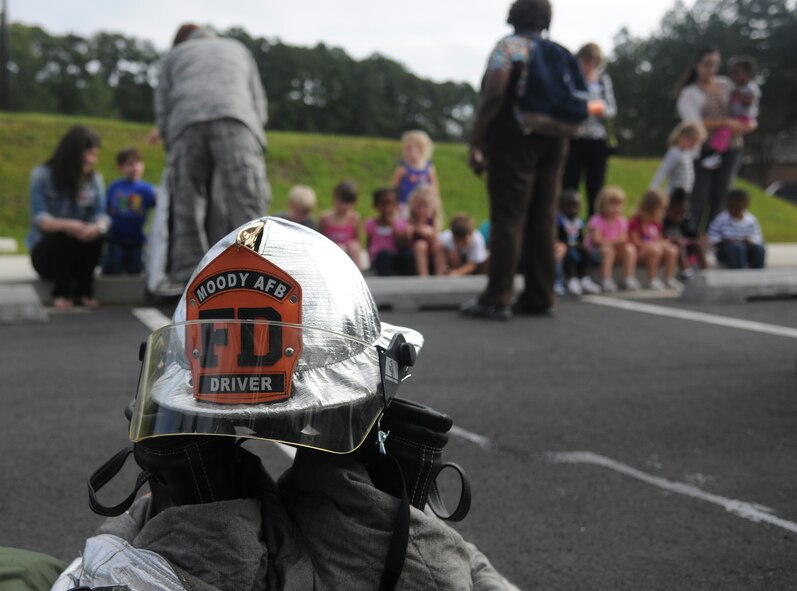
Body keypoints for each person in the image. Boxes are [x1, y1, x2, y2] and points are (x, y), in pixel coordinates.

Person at [38, 217, 519, 590]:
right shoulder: (443, 562)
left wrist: (188, 525)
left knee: (194, 511)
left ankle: (197, 499)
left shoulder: (114, 556)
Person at [462, 0, 569, 320]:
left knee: (508, 217)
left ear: (513, 16)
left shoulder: (508, 47)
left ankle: (497, 297)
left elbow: (495, 92)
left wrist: (477, 139)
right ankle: (541, 295)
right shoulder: (559, 52)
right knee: (543, 216)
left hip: (514, 139)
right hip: (555, 139)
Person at [152, 23, 271, 287]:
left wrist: (168, 136)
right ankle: (252, 269)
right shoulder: (238, 49)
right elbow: (258, 100)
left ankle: (188, 276)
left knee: (187, 202)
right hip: (237, 120)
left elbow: (163, 103)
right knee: (244, 199)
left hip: (185, 123)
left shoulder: (174, 56)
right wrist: (255, 132)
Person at [675, 46, 757, 234]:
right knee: (699, 196)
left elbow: (745, 110)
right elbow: (693, 122)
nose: (712, 69)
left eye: (715, 64)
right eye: (707, 64)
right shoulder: (689, 93)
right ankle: (692, 237)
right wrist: (725, 122)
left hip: (731, 148)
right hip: (703, 149)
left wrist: (748, 124)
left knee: (721, 195)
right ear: (697, 65)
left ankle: (713, 238)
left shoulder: (727, 85)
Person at [25, 125, 108, 310]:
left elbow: (101, 214)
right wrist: (67, 225)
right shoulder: (42, 175)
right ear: (75, 154)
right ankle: (60, 293)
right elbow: (40, 218)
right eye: (90, 154)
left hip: (80, 254)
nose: (93, 160)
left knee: (94, 234)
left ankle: (84, 292)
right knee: (63, 234)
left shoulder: (94, 179)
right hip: (48, 255)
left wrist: (98, 227)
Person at [561, 42, 618, 218]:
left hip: (596, 140)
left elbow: (611, 109)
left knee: (595, 186)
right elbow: (564, 104)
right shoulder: (569, 78)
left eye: (594, 62)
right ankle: (566, 227)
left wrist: (589, 109)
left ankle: (594, 228)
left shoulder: (603, 80)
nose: (590, 66)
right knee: (569, 184)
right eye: (586, 61)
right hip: (574, 137)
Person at [101, 148, 157, 275]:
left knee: (135, 268)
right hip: (116, 237)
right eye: (130, 164)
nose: (135, 168)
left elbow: (158, 202)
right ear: (121, 167)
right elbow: (106, 209)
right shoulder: (114, 187)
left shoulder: (147, 189)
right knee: (114, 264)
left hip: (136, 239)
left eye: (138, 164)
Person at [702, 56, 761, 169]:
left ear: (747, 74)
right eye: (732, 73)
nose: (734, 76)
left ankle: (716, 154)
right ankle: (716, 152)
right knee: (724, 130)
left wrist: (738, 92)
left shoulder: (750, 88)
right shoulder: (731, 85)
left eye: (737, 73)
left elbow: (748, 102)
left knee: (725, 130)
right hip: (736, 117)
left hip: (744, 118)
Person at [584, 185, 639, 293]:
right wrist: (614, 242)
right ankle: (606, 279)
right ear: (603, 205)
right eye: (612, 205)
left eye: (619, 205)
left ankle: (628, 277)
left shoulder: (621, 221)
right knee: (608, 250)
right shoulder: (597, 219)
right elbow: (597, 240)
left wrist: (618, 243)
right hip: (595, 252)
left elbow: (623, 239)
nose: (616, 209)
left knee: (630, 249)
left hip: (613, 250)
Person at [628, 189, 681, 290]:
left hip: (655, 251)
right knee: (655, 250)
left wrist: (663, 243)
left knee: (672, 249)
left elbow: (659, 239)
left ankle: (669, 278)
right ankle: (652, 279)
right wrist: (652, 245)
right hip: (641, 254)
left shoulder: (656, 224)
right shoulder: (636, 222)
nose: (663, 213)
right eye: (661, 210)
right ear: (651, 208)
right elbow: (635, 242)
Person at [555, 190, 601, 295]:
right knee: (570, 255)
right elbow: (558, 238)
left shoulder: (579, 222)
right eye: (569, 206)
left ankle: (585, 278)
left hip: (576, 247)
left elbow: (580, 238)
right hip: (565, 248)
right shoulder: (559, 221)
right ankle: (572, 279)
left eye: (576, 207)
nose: (573, 210)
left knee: (587, 253)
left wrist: (583, 247)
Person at [707, 188, 766, 269]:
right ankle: (739, 272)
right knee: (737, 248)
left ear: (746, 206)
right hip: (726, 250)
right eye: (731, 207)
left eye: (738, 208)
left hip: (746, 250)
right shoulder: (720, 219)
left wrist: (750, 241)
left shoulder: (751, 220)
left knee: (759, 249)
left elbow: (758, 237)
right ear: (727, 206)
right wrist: (725, 241)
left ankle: (757, 272)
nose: (734, 210)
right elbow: (712, 238)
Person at [364, 187, 415, 276]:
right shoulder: (371, 224)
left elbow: (402, 246)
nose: (387, 208)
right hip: (380, 259)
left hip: (396, 257)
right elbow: (369, 244)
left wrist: (394, 227)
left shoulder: (401, 224)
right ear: (376, 205)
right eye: (383, 204)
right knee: (384, 255)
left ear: (395, 205)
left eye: (390, 204)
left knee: (408, 256)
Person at [390, 130, 440, 218]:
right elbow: (393, 188)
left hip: (423, 207)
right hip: (405, 205)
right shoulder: (403, 168)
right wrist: (395, 203)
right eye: (404, 149)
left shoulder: (428, 168)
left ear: (421, 149)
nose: (405, 152)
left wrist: (434, 202)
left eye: (409, 149)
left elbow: (434, 187)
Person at [649, 121, 707, 196]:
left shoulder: (687, 154)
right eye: (693, 141)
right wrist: (653, 188)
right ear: (683, 137)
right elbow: (663, 171)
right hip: (673, 194)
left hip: (684, 194)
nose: (694, 145)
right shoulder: (674, 152)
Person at [319, 179, 363, 268]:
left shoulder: (354, 219)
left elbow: (357, 240)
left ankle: (358, 272)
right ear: (335, 199)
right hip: (331, 253)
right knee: (340, 248)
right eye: (342, 201)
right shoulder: (325, 218)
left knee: (354, 246)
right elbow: (318, 238)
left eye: (348, 203)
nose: (344, 206)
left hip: (348, 252)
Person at [663, 187, 706, 277]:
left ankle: (705, 271)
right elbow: (662, 235)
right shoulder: (664, 220)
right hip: (670, 245)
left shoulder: (685, 220)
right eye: (677, 213)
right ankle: (686, 270)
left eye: (682, 213)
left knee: (697, 244)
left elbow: (692, 234)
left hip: (683, 245)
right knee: (679, 242)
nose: (679, 216)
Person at [406, 184, 446, 276]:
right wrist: (409, 233)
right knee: (421, 245)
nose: (421, 210)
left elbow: (436, 238)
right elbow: (406, 243)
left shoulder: (433, 221)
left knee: (439, 245)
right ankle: (424, 277)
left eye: (425, 206)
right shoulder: (410, 221)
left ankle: (441, 276)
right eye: (418, 206)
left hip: (431, 252)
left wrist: (431, 233)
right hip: (416, 252)